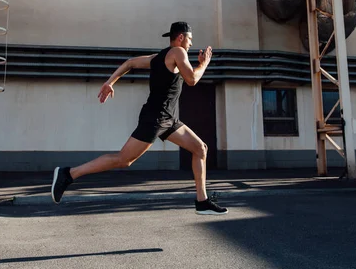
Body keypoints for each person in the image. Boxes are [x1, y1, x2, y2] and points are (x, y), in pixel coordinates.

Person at [51, 21, 228, 215]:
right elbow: (192, 80)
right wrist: (204, 64)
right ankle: (68, 174)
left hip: (168, 120)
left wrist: (110, 82)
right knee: (123, 160)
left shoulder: (158, 57)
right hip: (156, 118)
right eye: (190, 40)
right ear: (180, 37)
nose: (191, 44)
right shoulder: (178, 52)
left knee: (200, 148)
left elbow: (130, 63)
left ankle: (202, 201)